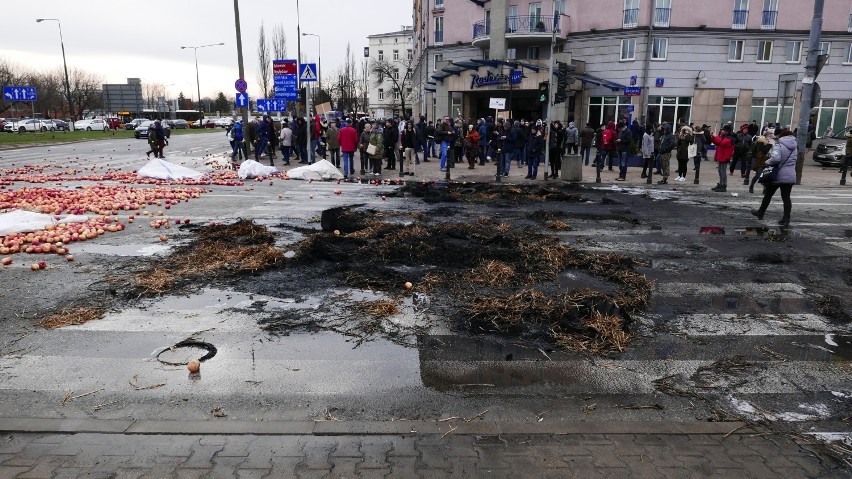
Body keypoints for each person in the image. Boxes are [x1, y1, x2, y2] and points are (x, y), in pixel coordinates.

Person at [751, 129, 798, 226]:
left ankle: (760, 212)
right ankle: (786, 219)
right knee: (786, 197)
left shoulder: (779, 145)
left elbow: (776, 158)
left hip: (777, 175)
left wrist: (767, 162)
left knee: (768, 194)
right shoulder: (794, 147)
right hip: (789, 175)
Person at [711, 125, 735, 192]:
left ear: (727, 131)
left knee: (723, 171)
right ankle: (721, 184)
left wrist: (716, 136)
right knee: (720, 171)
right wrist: (713, 137)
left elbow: (721, 143)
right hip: (721, 156)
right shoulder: (724, 137)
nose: (722, 131)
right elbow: (717, 142)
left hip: (725, 157)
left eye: (724, 130)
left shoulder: (730, 138)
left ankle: (723, 185)